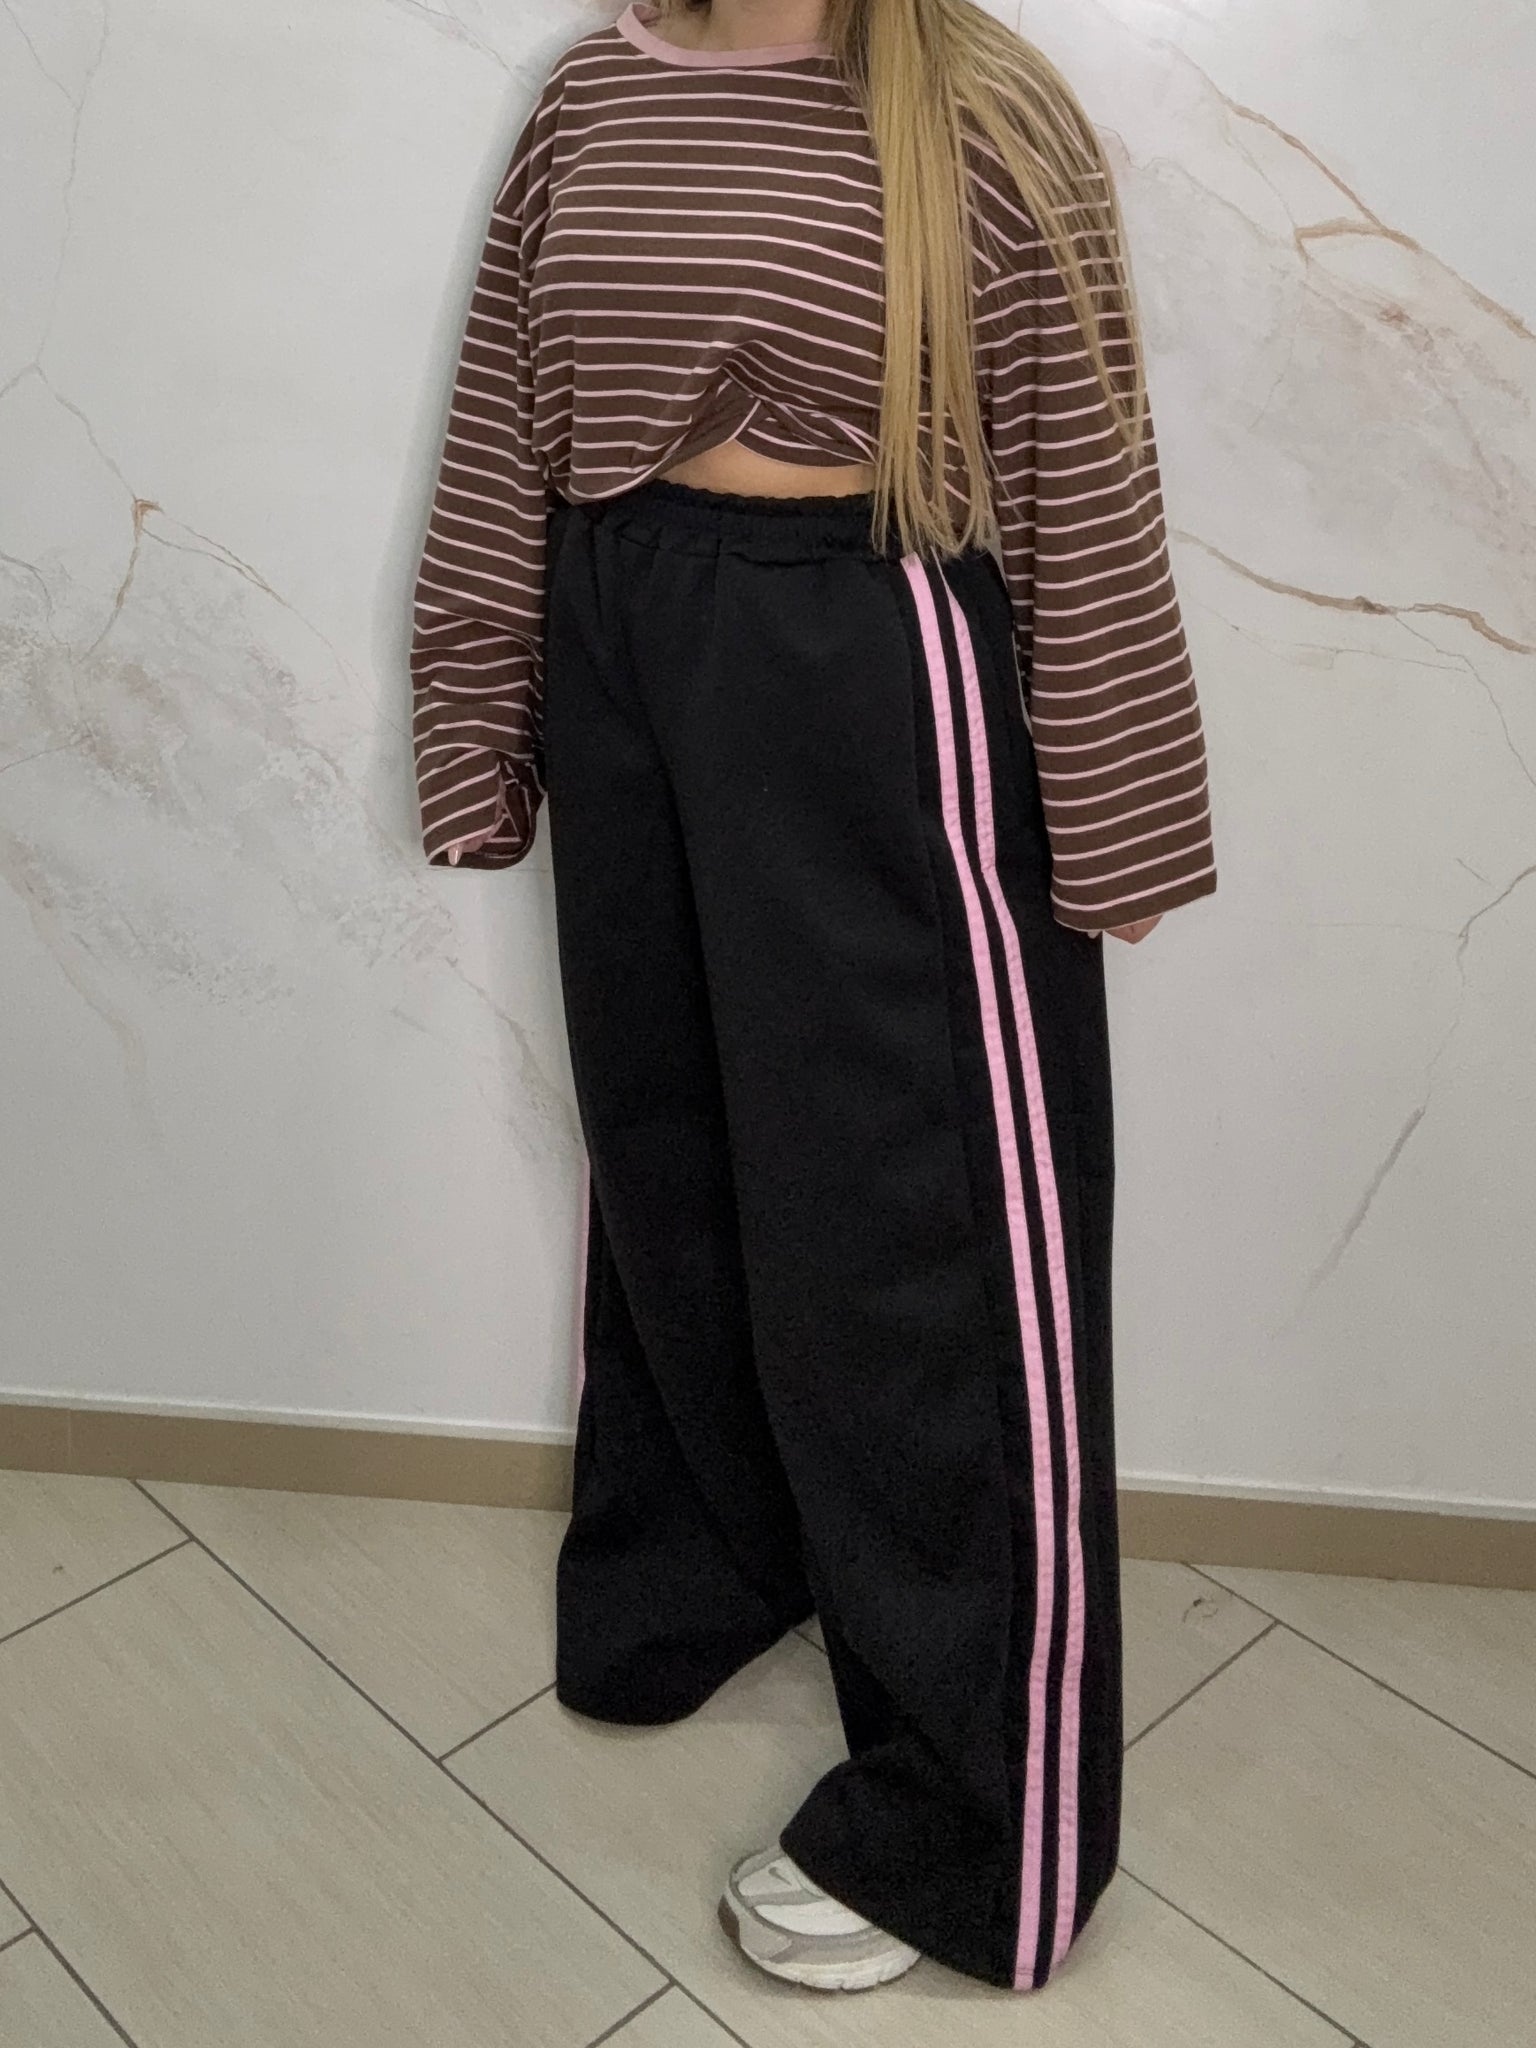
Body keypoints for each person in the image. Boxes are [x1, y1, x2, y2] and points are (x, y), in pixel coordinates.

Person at [409, 0, 1216, 1998]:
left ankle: (973, 1819)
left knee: (911, 1234)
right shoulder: (590, 92)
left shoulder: (978, 108)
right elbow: (507, 419)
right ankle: (719, 1554)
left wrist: (1117, 813)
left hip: (866, 652)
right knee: (667, 1155)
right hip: (626, 633)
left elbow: (1085, 468)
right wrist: (479, 702)